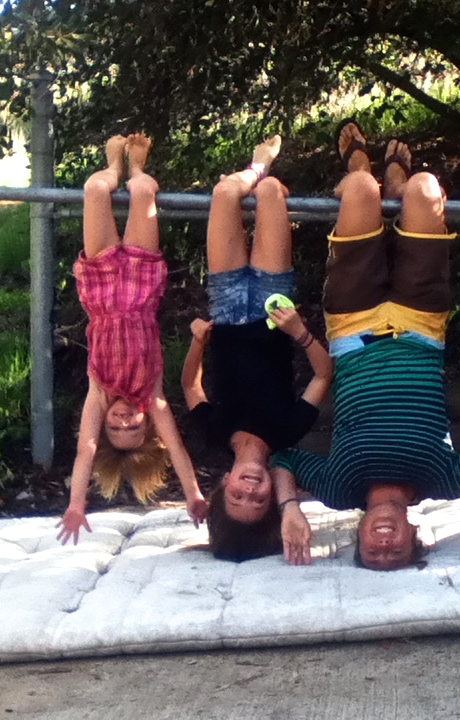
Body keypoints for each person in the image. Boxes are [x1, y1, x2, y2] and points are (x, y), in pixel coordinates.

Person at [271, 120, 460, 571]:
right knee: (427, 190)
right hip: (421, 322)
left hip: (352, 322)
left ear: (359, 539)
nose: (384, 545)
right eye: (397, 553)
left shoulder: (338, 489)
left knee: (360, 191)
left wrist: (290, 507)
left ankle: (359, 166)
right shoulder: (440, 480)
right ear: (416, 536)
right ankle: (399, 184)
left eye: (372, 554)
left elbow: (283, 457)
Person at [182, 135, 333, 562]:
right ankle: (263, 178)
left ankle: (256, 165)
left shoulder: (215, 434)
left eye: (237, 498)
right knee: (268, 193)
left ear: (223, 485)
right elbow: (324, 374)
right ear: (271, 492)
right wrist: (301, 332)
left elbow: (191, 388)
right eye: (258, 500)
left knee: (225, 193)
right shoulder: (287, 432)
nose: (249, 490)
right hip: (273, 306)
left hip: (226, 307)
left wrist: (197, 344)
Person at [58, 133, 205, 545]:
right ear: (147, 424)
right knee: (144, 190)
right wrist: (192, 494)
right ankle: (135, 170)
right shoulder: (151, 396)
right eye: (132, 427)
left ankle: (112, 165)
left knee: (94, 188)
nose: (123, 420)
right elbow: (176, 449)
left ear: (106, 424)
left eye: (116, 427)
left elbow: (86, 449)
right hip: (141, 287)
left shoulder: (98, 394)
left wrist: (76, 504)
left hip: (100, 286)